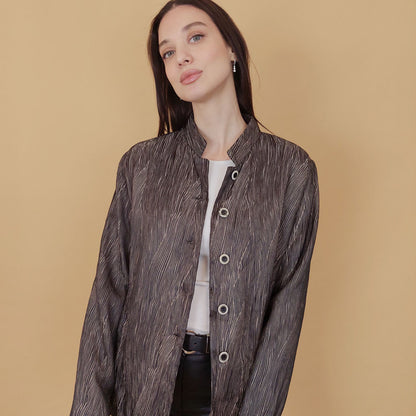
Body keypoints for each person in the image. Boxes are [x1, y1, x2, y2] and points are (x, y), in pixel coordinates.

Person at [69, 0, 319, 415]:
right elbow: (107, 296)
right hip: (142, 385)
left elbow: (284, 318)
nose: (181, 57)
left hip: (228, 391)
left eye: (196, 37)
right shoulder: (141, 166)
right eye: (168, 52)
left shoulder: (291, 171)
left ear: (232, 48)